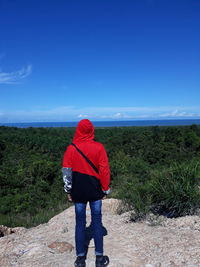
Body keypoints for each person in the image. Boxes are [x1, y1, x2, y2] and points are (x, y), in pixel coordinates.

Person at [62, 119, 110, 267]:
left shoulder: (71, 148)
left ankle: (80, 258)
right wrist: (105, 188)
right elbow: (104, 170)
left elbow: (67, 172)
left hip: (78, 191)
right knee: (97, 222)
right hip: (95, 190)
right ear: (91, 131)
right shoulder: (99, 147)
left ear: (78, 130)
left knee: (80, 223)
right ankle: (99, 258)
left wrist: (68, 190)